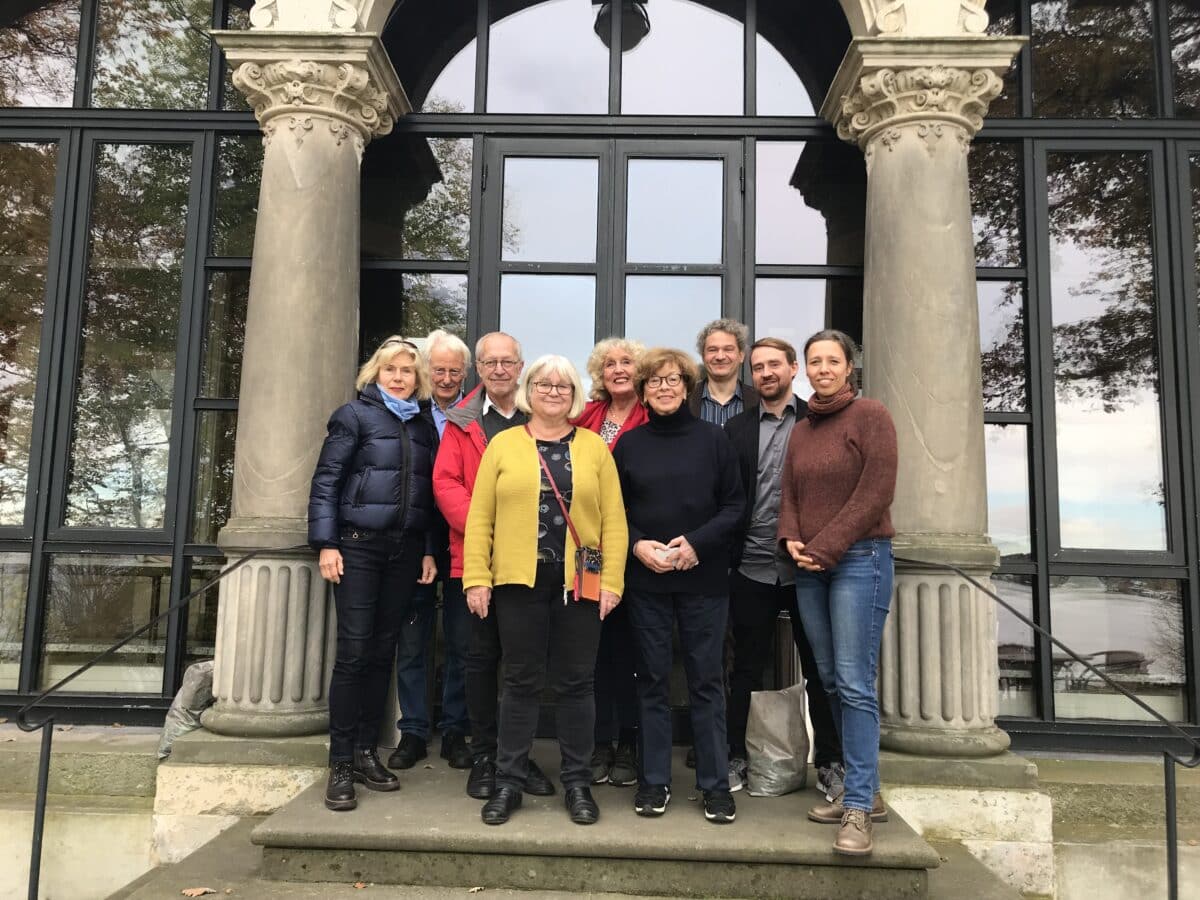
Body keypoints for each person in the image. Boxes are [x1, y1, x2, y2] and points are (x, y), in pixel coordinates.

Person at [462, 355, 628, 826]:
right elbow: (480, 518)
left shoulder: (595, 448)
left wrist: (611, 582)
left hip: (580, 584)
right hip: (518, 581)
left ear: (574, 394)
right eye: (543, 384)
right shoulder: (503, 445)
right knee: (520, 683)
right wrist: (477, 577)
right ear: (528, 390)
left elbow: (614, 522)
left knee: (578, 685)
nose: (553, 391)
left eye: (562, 385)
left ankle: (577, 783)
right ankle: (509, 780)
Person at [778, 329, 897, 857]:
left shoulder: (871, 416)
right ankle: (861, 790)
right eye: (814, 361)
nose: (822, 368)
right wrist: (791, 539)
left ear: (850, 366)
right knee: (827, 678)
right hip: (810, 566)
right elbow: (789, 493)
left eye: (832, 360)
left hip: (860, 561)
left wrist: (823, 546)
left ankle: (858, 804)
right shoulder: (802, 430)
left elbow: (876, 493)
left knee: (853, 682)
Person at [308, 336, 440, 812]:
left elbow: (428, 498)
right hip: (358, 549)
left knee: (384, 651)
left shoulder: (424, 426)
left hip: (404, 553)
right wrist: (325, 543)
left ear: (417, 378)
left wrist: (428, 551)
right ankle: (340, 761)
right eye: (391, 370)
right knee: (355, 653)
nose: (399, 377)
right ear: (375, 374)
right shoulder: (354, 416)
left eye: (407, 371)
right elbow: (327, 481)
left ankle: (366, 750)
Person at [612, 348, 744, 825]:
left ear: (688, 388)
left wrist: (696, 545)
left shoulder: (715, 440)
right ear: (643, 391)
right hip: (647, 581)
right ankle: (653, 781)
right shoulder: (629, 446)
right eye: (654, 382)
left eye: (673, 380)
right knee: (650, 681)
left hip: (703, 579)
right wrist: (638, 544)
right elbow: (613, 511)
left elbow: (734, 506)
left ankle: (714, 786)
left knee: (707, 682)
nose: (664, 388)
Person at [432, 331, 556, 801]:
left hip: (532, 564)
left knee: (524, 666)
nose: (500, 370)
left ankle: (518, 757)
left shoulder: (541, 415)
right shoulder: (461, 420)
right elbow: (446, 485)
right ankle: (485, 755)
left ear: (520, 366)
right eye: (490, 363)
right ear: (478, 370)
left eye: (508, 362)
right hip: (476, 562)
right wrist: (491, 532)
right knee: (479, 660)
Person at [723, 337, 843, 796]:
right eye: (758, 367)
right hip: (751, 567)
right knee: (744, 669)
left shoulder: (821, 422)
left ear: (795, 369)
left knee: (820, 670)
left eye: (775, 364)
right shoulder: (734, 430)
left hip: (809, 568)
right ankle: (735, 756)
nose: (766, 372)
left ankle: (830, 762)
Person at [389, 330, 473, 772]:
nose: (444, 377)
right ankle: (415, 731)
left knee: (462, 639)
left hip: (464, 539)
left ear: (464, 373)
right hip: (416, 541)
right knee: (413, 639)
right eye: (437, 369)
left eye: (453, 370)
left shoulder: (474, 416)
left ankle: (457, 729)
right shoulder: (408, 414)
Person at [573, 337, 646, 788]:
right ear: (599, 374)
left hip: (635, 547)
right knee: (594, 651)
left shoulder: (653, 415)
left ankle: (630, 745)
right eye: (610, 364)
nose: (618, 369)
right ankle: (600, 742)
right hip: (590, 551)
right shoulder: (586, 418)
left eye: (627, 362)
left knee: (631, 654)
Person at [687, 318, 759, 427]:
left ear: (741, 356)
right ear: (703, 356)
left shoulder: (759, 401)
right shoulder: (685, 399)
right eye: (712, 350)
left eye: (728, 349)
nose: (720, 357)